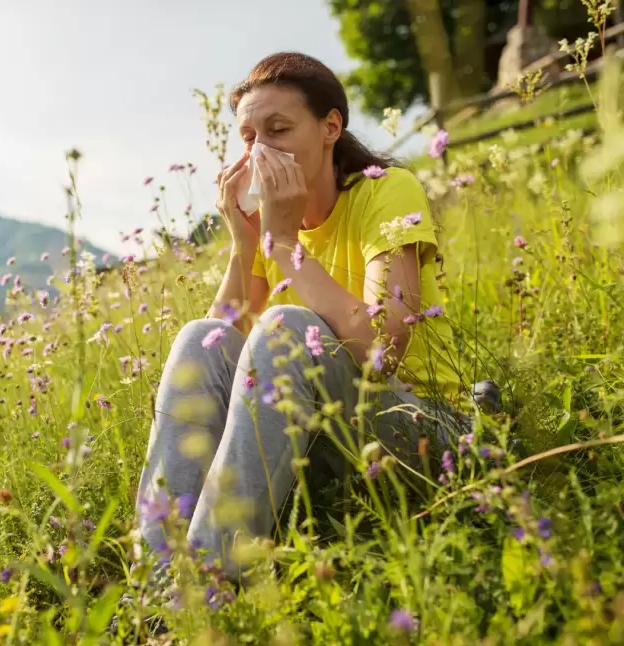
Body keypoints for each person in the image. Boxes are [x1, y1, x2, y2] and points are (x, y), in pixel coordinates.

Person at [135, 52, 463, 582]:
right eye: (247, 138)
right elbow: (214, 361)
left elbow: (382, 352)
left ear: (331, 126)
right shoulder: (272, 227)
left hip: (423, 432)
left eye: (279, 128)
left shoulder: (385, 191)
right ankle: (154, 585)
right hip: (328, 440)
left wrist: (283, 243)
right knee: (202, 336)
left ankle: (203, 587)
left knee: (286, 327)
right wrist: (247, 245)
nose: (260, 149)